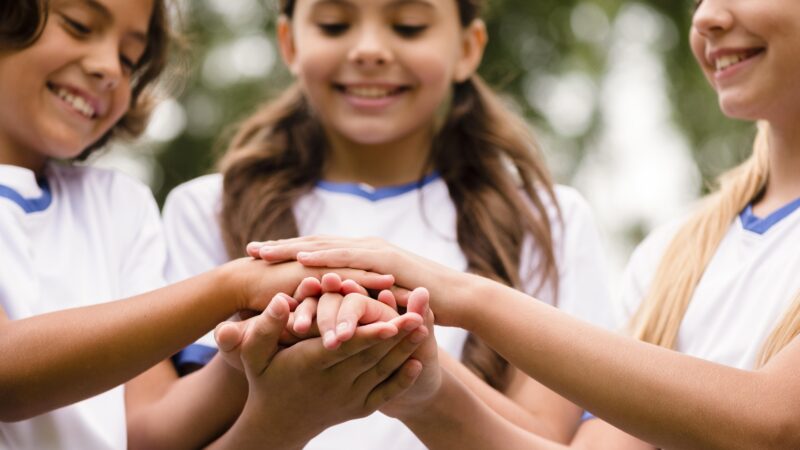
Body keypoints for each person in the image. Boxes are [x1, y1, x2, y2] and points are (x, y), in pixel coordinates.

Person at [252, 0, 800, 447]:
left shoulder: (559, 224)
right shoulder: (674, 255)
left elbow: (774, 424)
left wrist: (466, 296)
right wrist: (423, 388)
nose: (706, 17)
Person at [162, 0, 616, 447]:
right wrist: (264, 339)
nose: (369, 49)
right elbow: (159, 433)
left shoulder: (548, 219)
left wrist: (398, 339)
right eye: (335, 24)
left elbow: (548, 436)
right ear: (290, 42)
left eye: (409, 25)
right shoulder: (206, 208)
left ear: (468, 48)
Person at [0, 1, 425, 448]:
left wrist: (259, 342)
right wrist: (236, 285)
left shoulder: (118, 205)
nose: (108, 67)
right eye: (79, 25)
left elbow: (149, 433)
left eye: (129, 58)